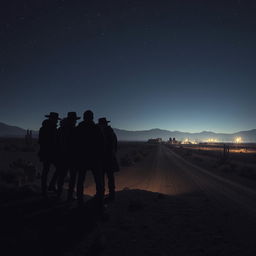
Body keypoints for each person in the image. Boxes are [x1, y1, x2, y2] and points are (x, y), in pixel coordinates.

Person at [75, 110, 105, 209]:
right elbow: (101, 143)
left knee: (80, 180)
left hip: (82, 158)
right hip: (94, 158)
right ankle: (100, 201)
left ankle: (79, 201)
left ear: (84, 117)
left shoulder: (79, 128)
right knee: (98, 180)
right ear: (92, 117)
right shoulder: (96, 128)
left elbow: (75, 143)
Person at [56, 112, 80, 200]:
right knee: (72, 177)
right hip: (72, 157)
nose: (75, 122)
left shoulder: (60, 129)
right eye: (75, 120)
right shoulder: (75, 130)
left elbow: (57, 143)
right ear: (73, 120)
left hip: (62, 156)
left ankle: (59, 194)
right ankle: (69, 196)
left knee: (61, 176)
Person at [38, 112, 60, 197]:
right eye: (55, 119)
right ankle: (49, 186)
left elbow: (40, 141)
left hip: (46, 153)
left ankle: (45, 188)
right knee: (57, 168)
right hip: (50, 153)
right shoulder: (51, 129)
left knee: (46, 171)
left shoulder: (44, 128)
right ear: (52, 119)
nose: (56, 121)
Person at [98, 117, 119, 201]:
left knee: (102, 178)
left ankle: (101, 194)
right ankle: (112, 195)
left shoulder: (101, 133)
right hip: (110, 158)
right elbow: (115, 146)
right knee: (110, 177)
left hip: (103, 159)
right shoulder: (112, 133)